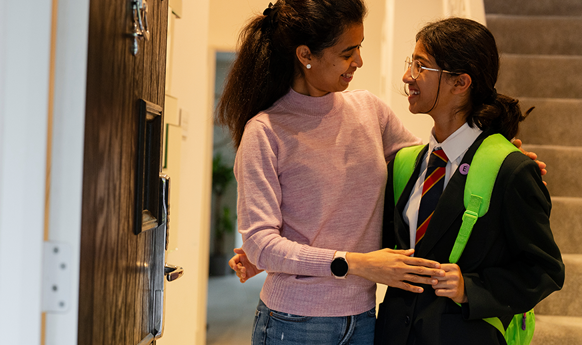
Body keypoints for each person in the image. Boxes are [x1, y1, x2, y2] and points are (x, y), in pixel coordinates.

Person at [218, 0, 544, 344]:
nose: (359, 61)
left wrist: (497, 163)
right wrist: (357, 263)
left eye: (359, 48)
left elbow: (429, 166)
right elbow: (260, 245)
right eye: (348, 52)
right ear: (305, 55)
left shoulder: (368, 111)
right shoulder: (265, 132)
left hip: (364, 321)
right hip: (294, 322)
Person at [374, 18, 564, 345]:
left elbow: (543, 271)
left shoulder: (511, 169)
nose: (408, 77)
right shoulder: (405, 163)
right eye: (411, 64)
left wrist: (471, 289)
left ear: (460, 83)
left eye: (421, 67)